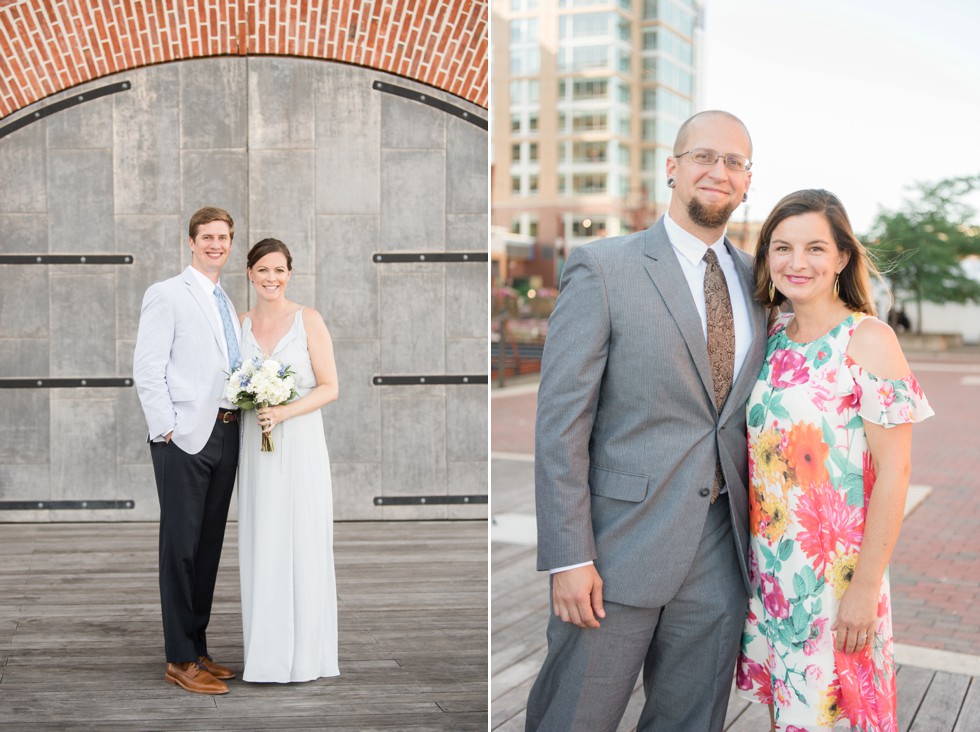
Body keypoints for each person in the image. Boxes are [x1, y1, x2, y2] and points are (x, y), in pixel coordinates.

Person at [525, 110, 768, 731]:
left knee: (691, 720)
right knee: (574, 716)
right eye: (703, 157)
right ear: (673, 168)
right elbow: (561, 423)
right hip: (615, 549)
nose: (718, 171)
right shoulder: (604, 267)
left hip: (720, 549)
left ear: (747, 182)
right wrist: (568, 555)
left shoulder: (761, 284)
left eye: (734, 163)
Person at [736, 189, 934, 731]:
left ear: (842, 257)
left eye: (815, 248)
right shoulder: (770, 337)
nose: (797, 263)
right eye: (782, 247)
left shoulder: (868, 339)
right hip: (774, 573)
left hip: (837, 579)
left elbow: (897, 474)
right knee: (790, 718)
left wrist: (865, 588)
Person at [133, 206, 242, 695]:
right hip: (184, 440)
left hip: (226, 431)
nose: (215, 244)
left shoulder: (224, 298)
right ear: (191, 242)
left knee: (207, 547)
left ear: (230, 243)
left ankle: (197, 647)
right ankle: (178, 658)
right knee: (179, 548)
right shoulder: (166, 294)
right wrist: (167, 429)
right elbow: (148, 368)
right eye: (207, 237)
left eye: (223, 237)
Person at [237, 238, 340, 683]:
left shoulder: (308, 320)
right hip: (255, 446)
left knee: (300, 537)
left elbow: (330, 386)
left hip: (298, 442)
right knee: (264, 538)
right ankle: (266, 653)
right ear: (250, 274)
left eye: (279, 270)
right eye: (263, 270)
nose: (271, 278)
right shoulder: (238, 323)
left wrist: (282, 411)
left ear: (289, 274)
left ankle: (304, 656)